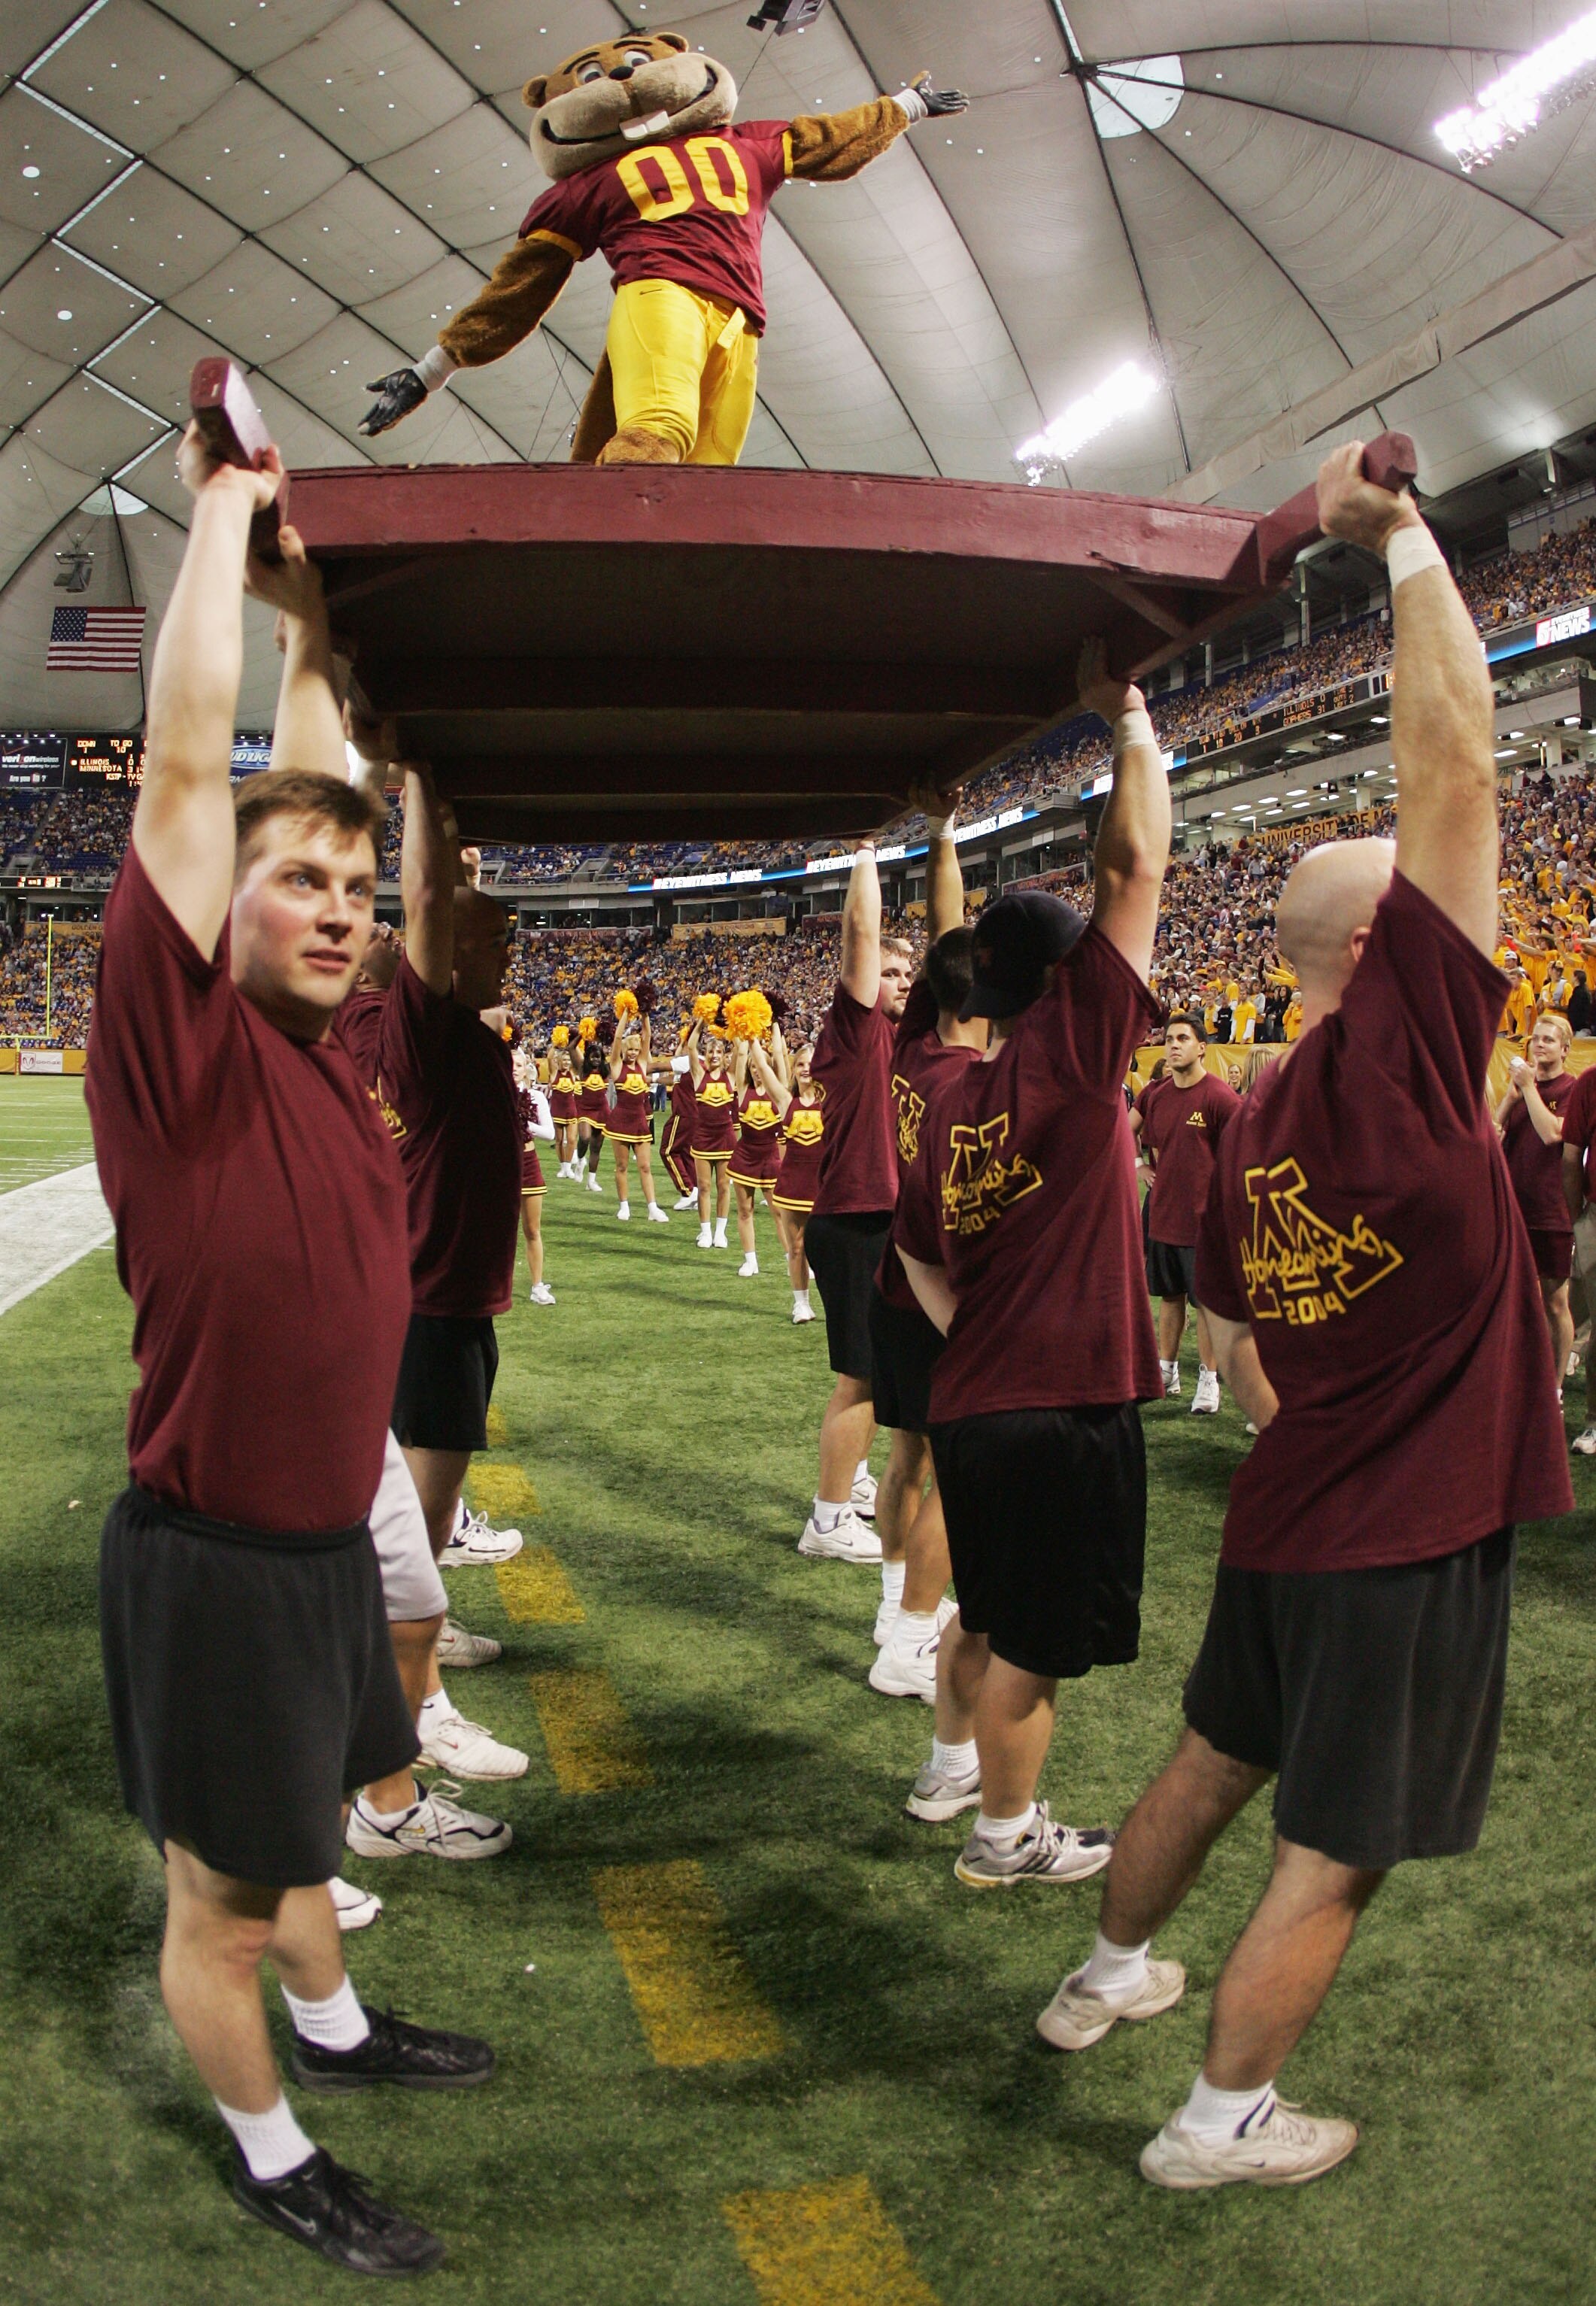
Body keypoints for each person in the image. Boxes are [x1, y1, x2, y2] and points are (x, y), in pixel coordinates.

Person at [1039, 442, 1572, 2192]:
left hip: (1297, 1500)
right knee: (1331, 1849)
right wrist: (1409, 548)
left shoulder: (1255, 1120)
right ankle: (1218, 2122)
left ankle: (1105, 1973)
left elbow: (1241, 1341)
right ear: (1386, 948)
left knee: (1209, 1764)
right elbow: (1460, 772)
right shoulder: (1409, 1061)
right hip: (1402, 1530)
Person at [87, 424, 491, 2275]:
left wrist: (316, 616)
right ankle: (270, 2148)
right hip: (219, 1563)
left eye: (356, 892)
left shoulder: (338, 1061)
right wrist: (231, 517)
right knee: (226, 1894)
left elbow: (306, 777)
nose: (339, 912)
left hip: (320, 1547)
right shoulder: (182, 1059)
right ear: (208, 916)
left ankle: (340, 2028)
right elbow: (199, 763)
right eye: (297, 887)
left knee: (313, 1834)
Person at [894, 636, 1168, 1887]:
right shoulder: (1071, 1057)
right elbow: (1131, 860)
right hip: (1061, 1408)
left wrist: (981, 1338)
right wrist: (1130, 720)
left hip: (982, 1401)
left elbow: (917, 1257)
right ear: (1062, 983)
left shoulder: (949, 1095)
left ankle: (949, 1773)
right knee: (1036, 1648)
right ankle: (1004, 1836)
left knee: (986, 1612)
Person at [867, 791, 985, 1703]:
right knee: (955, 1475)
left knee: (904, 1459)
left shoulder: (912, 1049)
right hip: (944, 1293)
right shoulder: (975, 1089)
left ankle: (886, 1615)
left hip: (891, 1289)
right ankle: (908, 1634)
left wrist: (943, 834)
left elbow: (946, 933)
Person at [797, 841, 918, 1564]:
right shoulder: (856, 1025)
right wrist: (869, 849)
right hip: (855, 1219)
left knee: (884, 1372)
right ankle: (828, 1518)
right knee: (865, 1378)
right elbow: (861, 935)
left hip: (881, 1219)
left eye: (909, 973)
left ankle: (856, 1478)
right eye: (891, 971)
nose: (899, 981)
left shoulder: (905, 1039)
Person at [1132, 1013, 1239, 1412]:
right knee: (1170, 1298)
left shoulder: (1219, 1097)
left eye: (1182, 1038)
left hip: (1205, 1224)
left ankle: (1209, 1381)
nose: (1173, 1044)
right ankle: (1168, 1371)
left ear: (1201, 1048)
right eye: (1169, 1038)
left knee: (1206, 1304)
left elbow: (1244, 1148)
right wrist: (1137, 1165)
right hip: (1163, 1216)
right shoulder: (1154, 1094)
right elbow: (1123, 1130)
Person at [1496, 1011, 1576, 1393]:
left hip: (1551, 1210)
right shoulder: (1518, 1087)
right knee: (1512, 1299)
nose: (1539, 1045)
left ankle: (1554, 1387)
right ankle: (1521, 1376)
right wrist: (1509, 1100)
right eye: (1535, 1039)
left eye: (1547, 1040)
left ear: (1564, 1048)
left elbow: (1552, 1135)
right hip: (1512, 1208)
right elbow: (1494, 1140)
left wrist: (1528, 1089)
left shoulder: (1571, 1089)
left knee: (1555, 1302)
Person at [753, 1032, 824, 1321]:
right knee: (796, 1248)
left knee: (829, 1250)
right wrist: (752, 1039)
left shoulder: (832, 1100)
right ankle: (801, 1304)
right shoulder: (785, 1100)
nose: (806, 1069)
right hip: (792, 1184)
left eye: (811, 1064)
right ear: (794, 1070)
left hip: (824, 1185)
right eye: (801, 1065)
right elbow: (766, 1070)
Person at [729, 1024, 785, 1277]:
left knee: (780, 1212)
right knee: (745, 1210)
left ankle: (792, 1257)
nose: (757, 1071)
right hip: (744, 1157)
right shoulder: (743, 1090)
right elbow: (741, 1056)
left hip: (770, 1157)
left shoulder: (778, 1092)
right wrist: (747, 1028)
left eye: (760, 1067)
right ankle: (750, 1260)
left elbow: (782, 1060)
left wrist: (773, 1026)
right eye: (754, 1068)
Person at [606, 1008, 670, 1222]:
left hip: (640, 1121)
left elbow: (648, 1035)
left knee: (645, 1166)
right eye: (630, 1049)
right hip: (621, 1121)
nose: (633, 1053)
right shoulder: (617, 1066)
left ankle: (652, 1208)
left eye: (636, 1049)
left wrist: (644, 1014)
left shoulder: (643, 1065)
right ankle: (624, 1205)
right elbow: (617, 1038)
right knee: (622, 1166)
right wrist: (625, 1012)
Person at [688, 1021, 738, 1249]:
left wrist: (727, 1024)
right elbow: (691, 1047)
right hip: (703, 1137)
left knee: (724, 1186)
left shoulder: (731, 1076)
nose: (715, 1055)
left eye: (719, 1051)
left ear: (725, 1055)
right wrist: (702, 1021)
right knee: (705, 1186)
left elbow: (742, 1049)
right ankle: (705, 1231)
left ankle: (721, 1232)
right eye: (711, 1051)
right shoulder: (699, 1075)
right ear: (705, 1055)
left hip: (726, 1137)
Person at [515, 1040, 557, 1302]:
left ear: (526, 1069)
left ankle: (537, 1286)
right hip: (501, 1165)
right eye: (508, 1064)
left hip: (528, 1163)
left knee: (532, 1229)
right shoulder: (490, 1093)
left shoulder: (535, 1097)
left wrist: (522, 1120)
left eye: (518, 1064)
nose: (513, 1069)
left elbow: (550, 1133)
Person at [661, 1025, 701, 1210]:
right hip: (694, 1115)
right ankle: (696, 1192)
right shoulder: (699, 1063)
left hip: (683, 1114)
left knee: (668, 1151)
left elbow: (656, 1066)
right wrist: (652, 1081)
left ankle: (687, 1190)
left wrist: (632, 1068)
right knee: (686, 1154)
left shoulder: (688, 1061)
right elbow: (674, 1080)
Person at [575, 1032, 610, 1194]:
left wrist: (606, 1036)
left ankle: (591, 1181)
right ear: (587, 1057)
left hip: (602, 1111)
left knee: (596, 1148)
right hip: (585, 1109)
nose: (596, 1060)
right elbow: (570, 1048)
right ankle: (580, 1160)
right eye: (593, 1057)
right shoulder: (582, 1070)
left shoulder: (606, 1070)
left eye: (599, 1057)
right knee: (585, 1138)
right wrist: (583, 1034)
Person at [548, 1029, 580, 1175]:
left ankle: (568, 1167)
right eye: (564, 1060)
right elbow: (549, 1058)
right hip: (557, 1109)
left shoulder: (573, 1073)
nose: (567, 1062)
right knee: (559, 1140)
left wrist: (575, 1043)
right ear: (560, 1062)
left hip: (571, 1110)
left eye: (568, 1060)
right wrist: (557, 1042)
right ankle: (562, 1167)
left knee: (572, 1139)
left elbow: (579, 1058)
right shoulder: (555, 1073)